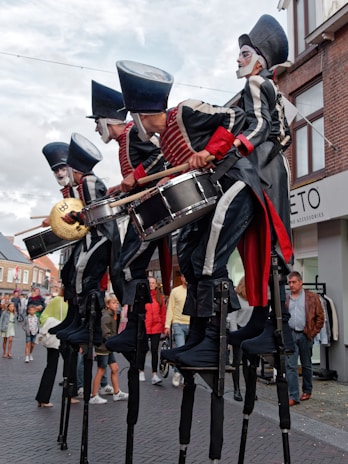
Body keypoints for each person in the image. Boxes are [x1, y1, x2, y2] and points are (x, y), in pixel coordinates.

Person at [116, 59, 274, 368]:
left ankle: (214, 344)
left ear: (143, 114)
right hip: (212, 194)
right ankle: (199, 338)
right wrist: (155, 183)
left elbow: (235, 116)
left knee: (207, 260)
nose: (134, 123)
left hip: (236, 183)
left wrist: (210, 151)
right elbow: (171, 169)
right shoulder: (165, 141)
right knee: (188, 256)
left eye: (135, 116)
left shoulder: (186, 110)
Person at [226, 14, 294, 357]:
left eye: (245, 53)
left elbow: (260, 126)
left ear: (259, 60)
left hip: (261, 167)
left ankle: (265, 324)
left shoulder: (254, 84)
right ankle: (262, 321)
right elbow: (284, 134)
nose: (238, 59)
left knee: (262, 239)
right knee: (268, 245)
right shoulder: (272, 86)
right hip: (272, 165)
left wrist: (235, 148)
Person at [88, 81, 169, 358]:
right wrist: (123, 186)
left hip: (152, 209)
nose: (96, 129)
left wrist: (136, 176)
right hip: (142, 208)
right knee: (127, 269)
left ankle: (136, 333)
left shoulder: (135, 134)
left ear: (107, 121)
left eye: (97, 122)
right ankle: (135, 332)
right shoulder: (125, 140)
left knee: (127, 267)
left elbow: (163, 156)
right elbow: (137, 177)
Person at [285, 271, 325, 406]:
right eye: (289, 282)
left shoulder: (312, 297)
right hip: (290, 335)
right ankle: (293, 395)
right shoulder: (286, 298)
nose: (291, 285)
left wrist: (312, 332)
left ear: (300, 282)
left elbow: (320, 317)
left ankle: (307, 390)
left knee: (306, 364)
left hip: (305, 334)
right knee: (291, 365)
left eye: (294, 282)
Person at [89, 294, 128, 404]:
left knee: (115, 368)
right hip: (103, 347)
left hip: (108, 347)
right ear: (107, 304)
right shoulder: (106, 316)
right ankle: (94, 395)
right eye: (113, 303)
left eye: (117, 303)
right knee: (101, 370)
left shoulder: (112, 315)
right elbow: (106, 334)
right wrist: (115, 342)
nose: (116, 305)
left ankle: (117, 393)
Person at [35, 287, 70, 408]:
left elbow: (43, 317)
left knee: (52, 366)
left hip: (55, 338)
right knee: (68, 365)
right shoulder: (62, 301)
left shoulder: (56, 301)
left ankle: (43, 398)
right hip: (62, 338)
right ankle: (69, 394)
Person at [227, 276, 254, 401]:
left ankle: (250, 389)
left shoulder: (253, 298)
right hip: (238, 330)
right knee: (237, 362)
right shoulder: (237, 298)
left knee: (248, 363)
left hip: (249, 332)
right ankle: (236, 389)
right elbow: (232, 318)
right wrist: (234, 336)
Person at [138, 277, 166, 385]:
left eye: (153, 283)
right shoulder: (142, 296)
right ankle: (141, 371)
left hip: (156, 327)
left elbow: (163, 313)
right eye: (149, 283)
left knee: (155, 350)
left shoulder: (160, 298)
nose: (151, 284)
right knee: (143, 350)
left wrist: (164, 327)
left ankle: (154, 374)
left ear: (156, 285)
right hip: (144, 326)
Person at [164, 274, 190, 387]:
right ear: (182, 278)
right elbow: (170, 308)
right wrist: (167, 325)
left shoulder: (195, 291)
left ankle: (185, 375)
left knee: (189, 351)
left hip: (192, 324)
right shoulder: (175, 291)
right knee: (180, 348)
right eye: (185, 276)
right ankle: (177, 372)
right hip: (178, 323)